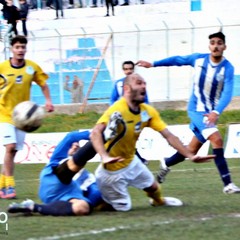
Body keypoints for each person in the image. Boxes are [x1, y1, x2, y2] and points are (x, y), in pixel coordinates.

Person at [89, 73, 215, 211]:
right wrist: (104, 156)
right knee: (121, 208)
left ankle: (158, 202)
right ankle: (91, 200)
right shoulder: (117, 109)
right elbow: (95, 132)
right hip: (111, 172)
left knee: (153, 187)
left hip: (131, 162)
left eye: (144, 83)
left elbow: (169, 136)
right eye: (139, 83)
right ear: (126, 89)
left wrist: (190, 155)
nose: (144, 86)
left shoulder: (148, 112)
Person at [136, 31, 240, 194]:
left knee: (191, 151)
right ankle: (228, 184)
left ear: (224, 47)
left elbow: (227, 92)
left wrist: (216, 111)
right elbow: (177, 60)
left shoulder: (227, 68)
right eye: (212, 42)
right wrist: (153, 63)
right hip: (196, 109)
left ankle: (166, 163)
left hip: (209, 112)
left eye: (219, 43)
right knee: (217, 139)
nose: (216, 46)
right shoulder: (198, 59)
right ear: (209, 46)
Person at [0, 35, 54, 199]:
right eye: (17, 47)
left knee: (13, 151)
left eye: (23, 47)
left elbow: (43, 84)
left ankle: (2, 185)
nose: (20, 50)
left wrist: (48, 101)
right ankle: (9, 185)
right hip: (4, 114)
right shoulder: (2, 68)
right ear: (12, 49)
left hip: (23, 116)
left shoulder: (32, 67)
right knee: (10, 147)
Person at [8, 130, 104, 216]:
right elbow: (71, 136)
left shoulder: (86, 176)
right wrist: (98, 135)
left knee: (82, 208)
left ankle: (33, 207)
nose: (75, 147)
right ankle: (105, 136)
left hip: (67, 195)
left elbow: (95, 193)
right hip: (53, 179)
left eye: (77, 147)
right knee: (72, 165)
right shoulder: (58, 157)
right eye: (73, 145)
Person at [110, 60, 149, 165]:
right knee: (126, 139)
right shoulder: (118, 84)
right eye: (126, 69)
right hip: (122, 117)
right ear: (123, 70)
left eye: (130, 69)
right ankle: (139, 160)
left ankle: (137, 159)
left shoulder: (139, 83)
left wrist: (145, 117)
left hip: (136, 115)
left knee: (130, 139)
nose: (128, 71)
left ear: (133, 69)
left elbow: (145, 101)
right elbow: (113, 100)